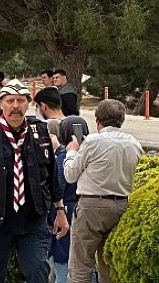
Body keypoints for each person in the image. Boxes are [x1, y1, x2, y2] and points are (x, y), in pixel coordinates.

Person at [0, 79, 69, 283]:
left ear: (29, 104)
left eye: (21, 100)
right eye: (10, 101)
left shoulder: (40, 132)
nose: (15, 106)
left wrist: (60, 210)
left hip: (33, 218)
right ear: (2, 103)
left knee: (37, 268)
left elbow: (51, 175)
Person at [63, 99, 142, 283]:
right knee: (107, 263)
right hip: (121, 204)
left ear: (98, 119)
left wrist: (72, 152)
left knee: (80, 264)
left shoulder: (92, 142)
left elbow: (70, 175)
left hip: (91, 205)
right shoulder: (134, 143)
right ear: (121, 120)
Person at [47, 117, 92, 283]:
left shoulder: (64, 158)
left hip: (65, 213)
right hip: (87, 209)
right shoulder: (91, 156)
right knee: (86, 262)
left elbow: (57, 187)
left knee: (62, 263)